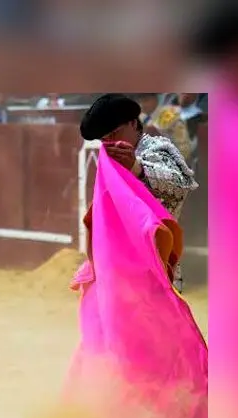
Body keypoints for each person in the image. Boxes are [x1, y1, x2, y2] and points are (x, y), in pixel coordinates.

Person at [80, 93, 199, 293]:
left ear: (134, 124)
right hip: (119, 268)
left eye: (115, 133)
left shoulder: (159, 148)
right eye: (104, 138)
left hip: (157, 264)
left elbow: (181, 184)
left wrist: (137, 168)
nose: (109, 142)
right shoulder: (110, 160)